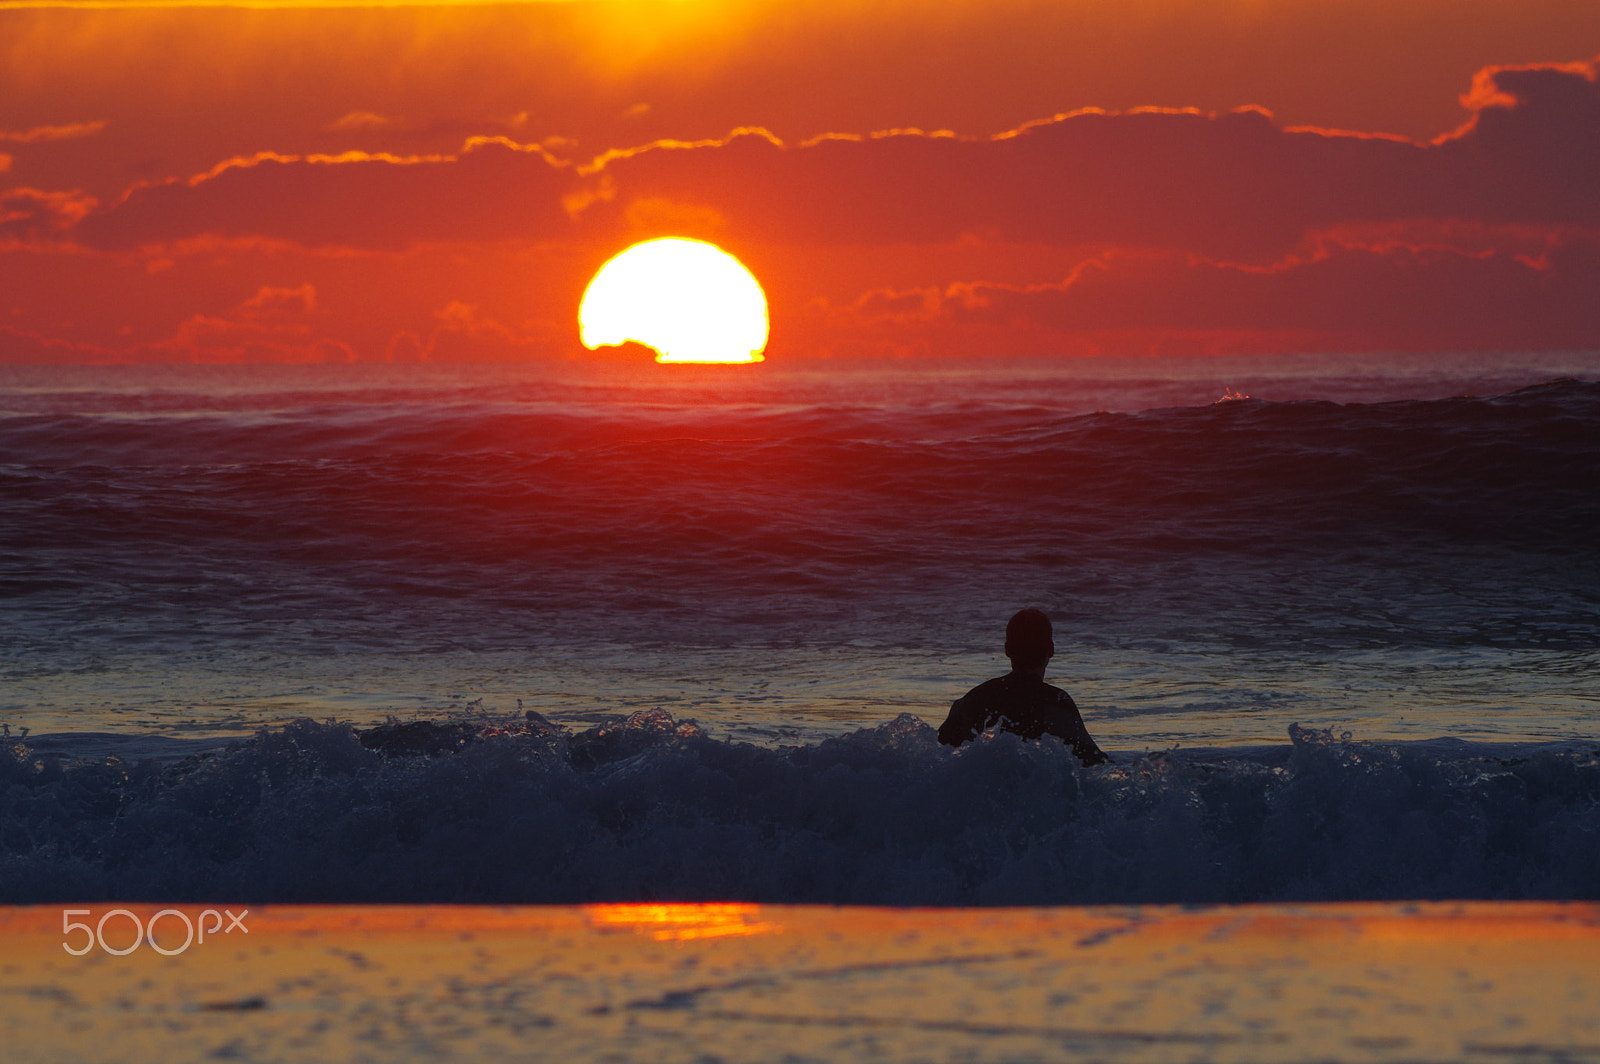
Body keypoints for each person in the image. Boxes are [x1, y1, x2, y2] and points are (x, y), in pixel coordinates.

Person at [938, 608, 1109, 765]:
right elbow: (1095, 763)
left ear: (1007, 650)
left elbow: (939, 756)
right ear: (1051, 650)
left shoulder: (972, 700)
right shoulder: (1055, 702)